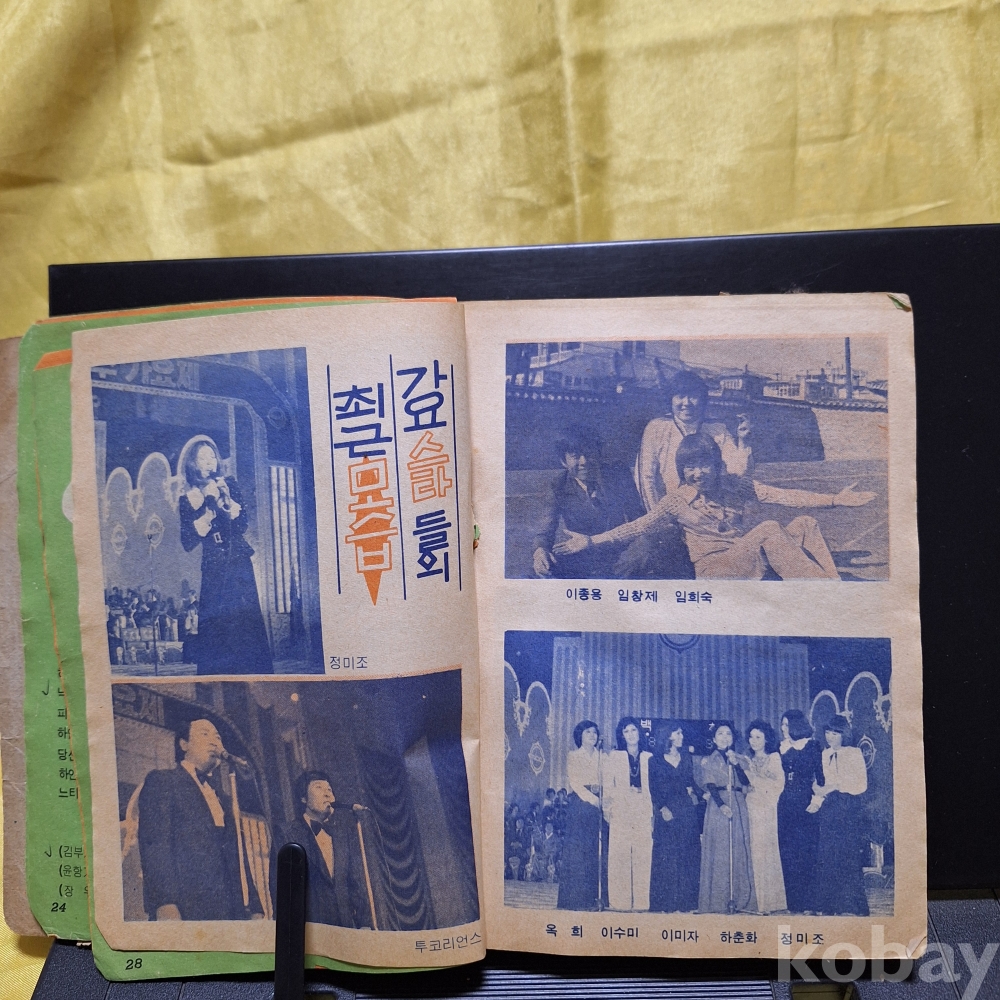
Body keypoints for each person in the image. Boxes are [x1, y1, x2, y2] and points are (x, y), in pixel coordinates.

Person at [568, 433, 875, 580]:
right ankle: (823, 591)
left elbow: (783, 495)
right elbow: (637, 526)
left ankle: (831, 585)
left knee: (805, 523)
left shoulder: (734, 485)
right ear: (682, 469)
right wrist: (591, 541)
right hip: (717, 569)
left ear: (717, 465)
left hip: (746, 555)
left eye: (704, 464)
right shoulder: (676, 500)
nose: (697, 473)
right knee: (769, 528)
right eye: (689, 466)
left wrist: (835, 499)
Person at [137, 718, 264, 921]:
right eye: (205, 734)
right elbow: (155, 846)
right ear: (184, 744)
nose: (214, 741)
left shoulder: (225, 799)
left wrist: (256, 907)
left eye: (218, 737)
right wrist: (164, 903)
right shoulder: (163, 781)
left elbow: (238, 855)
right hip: (187, 910)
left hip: (232, 913)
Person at [532, 428, 692, 579]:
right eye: (575, 456)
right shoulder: (558, 486)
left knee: (647, 546)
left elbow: (638, 518)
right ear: (564, 461)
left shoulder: (618, 474)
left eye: (589, 453)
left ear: (599, 454)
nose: (584, 461)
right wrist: (540, 551)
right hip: (582, 553)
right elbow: (545, 530)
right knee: (545, 565)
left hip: (621, 550)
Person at [178, 436, 273, 674]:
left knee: (244, 618)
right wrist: (207, 510)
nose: (209, 461)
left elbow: (242, 524)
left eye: (212, 456)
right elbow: (187, 541)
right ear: (193, 463)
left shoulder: (228, 483)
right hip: (213, 565)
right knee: (217, 622)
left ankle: (253, 671)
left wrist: (227, 502)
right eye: (202, 457)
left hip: (238, 561)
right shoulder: (188, 498)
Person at [637, 369, 753, 512]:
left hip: (709, 513)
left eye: (693, 396)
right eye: (680, 396)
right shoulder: (657, 428)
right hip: (667, 511)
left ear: (702, 400)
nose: (686, 403)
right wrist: (657, 516)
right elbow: (645, 478)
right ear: (671, 399)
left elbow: (737, 471)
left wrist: (743, 442)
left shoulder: (717, 429)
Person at [271, 771, 371, 928]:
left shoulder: (342, 834)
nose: (327, 794)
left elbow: (356, 883)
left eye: (329, 789)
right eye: (318, 788)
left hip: (346, 930)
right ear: (303, 798)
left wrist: (364, 924)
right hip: (309, 931)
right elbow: (280, 887)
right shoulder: (286, 833)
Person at [809, 715, 870, 915]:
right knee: (827, 854)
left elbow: (861, 784)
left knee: (848, 854)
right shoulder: (825, 754)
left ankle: (850, 906)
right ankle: (828, 905)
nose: (830, 737)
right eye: (827, 732)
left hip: (848, 806)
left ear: (844, 734)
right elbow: (823, 784)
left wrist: (835, 786)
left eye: (835, 733)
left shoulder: (854, 753)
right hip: (830, 807)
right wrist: (817, 799)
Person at [729, 720, 787, 914]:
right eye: (751, 737)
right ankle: (753, 900)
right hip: (751, 806)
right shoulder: (747, 759)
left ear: (766, 739)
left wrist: (756, 779)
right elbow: (745, 784)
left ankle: (768, 902)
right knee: (752, 850)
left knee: (766, 851)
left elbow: (778, 785)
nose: (753, 741)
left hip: (767, 808)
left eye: (758, 737)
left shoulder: (774, 758)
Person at [697, 724, 756, 913]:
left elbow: (746, 782)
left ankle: (740, 900)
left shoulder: (740, 758)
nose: (724, 737)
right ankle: (718, 902)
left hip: (738, 803)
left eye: (728, 733)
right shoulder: (709, 760)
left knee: (738, 850)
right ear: (714, 739)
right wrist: (722, 805)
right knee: (720, 851)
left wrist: (736, 763)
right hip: (719, 805)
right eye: (720, 734)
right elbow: (710, 785)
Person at [647, 723, 701, 912]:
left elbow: (691, 782)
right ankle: (666, 904)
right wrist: (662, 808)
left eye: (681, 733)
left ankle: (686, 903)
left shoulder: (686, 757)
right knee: (667, 856)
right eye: (677, 733)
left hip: (686, 810)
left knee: (687, 855)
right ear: (668, 736)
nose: (681, 736)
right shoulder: (654, 760)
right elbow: (653, 788)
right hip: (666, 811)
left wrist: (702, 794)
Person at [557, 720, 608, 910]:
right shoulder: (574, 756)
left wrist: (604, 800)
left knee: (596, 850)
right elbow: (575, 783)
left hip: (599, 804)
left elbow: (607, 780)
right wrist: (593, 800)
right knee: (579, 851)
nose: (593, 735)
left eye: (595, 732)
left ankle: (595, 899)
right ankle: (576, 900)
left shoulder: (602, 756)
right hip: (580, 805)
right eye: (588, 732)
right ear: (580, 735)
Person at [604, 718, 653, 911]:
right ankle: (620, 902)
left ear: (639, 733)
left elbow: (653, 787)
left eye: (633, 730)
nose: (631, 734)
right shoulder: (614, 756)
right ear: (622, 735)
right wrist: (608, 809)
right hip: (621, 808)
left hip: (643, 808)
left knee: (643, 854)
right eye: (626, 731)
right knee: (620, 854)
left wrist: (651, 811)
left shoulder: (648, 757)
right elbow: (608, 785)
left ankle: (642, 901)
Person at [777, 709, 823, 913]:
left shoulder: (812, 746)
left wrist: (817, 800)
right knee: (787, 852)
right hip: (785, 803)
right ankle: (793, 903)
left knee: (806, 852)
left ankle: (809, 903)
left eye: (786, 725)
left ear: (796, 725)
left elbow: (820, 777)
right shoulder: (782, 747)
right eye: (782, 724)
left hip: (806, 803)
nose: (783, 729)